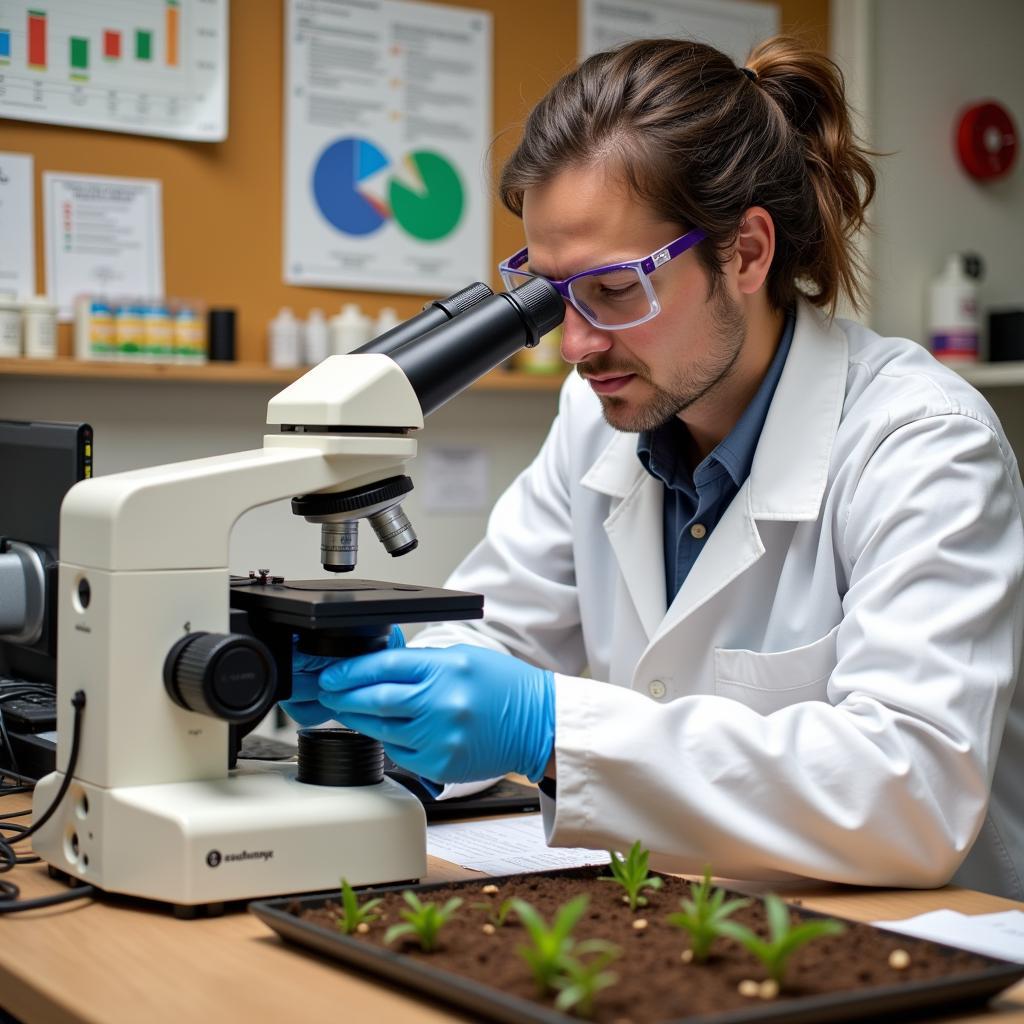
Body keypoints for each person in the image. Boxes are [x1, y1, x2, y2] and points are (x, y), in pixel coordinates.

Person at [284, 36, 1024, 900]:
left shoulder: (921, 440)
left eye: (615, 289)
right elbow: (504, 637)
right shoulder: (596, 417)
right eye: (554, 292)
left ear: (746, 254)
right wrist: (386, 687)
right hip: (680, 917)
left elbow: (912, 792)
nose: (577, 345)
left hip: (913, 946)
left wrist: (551, 729)